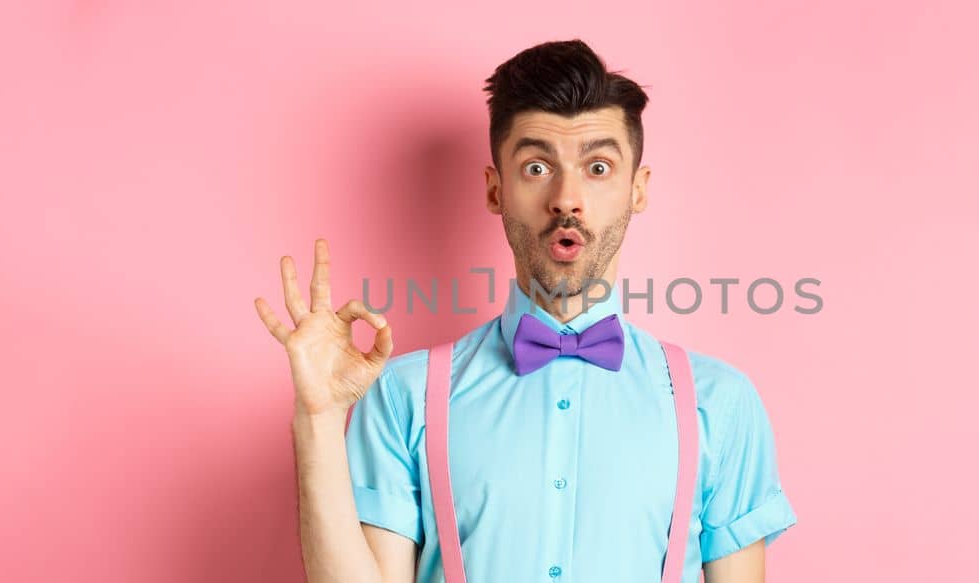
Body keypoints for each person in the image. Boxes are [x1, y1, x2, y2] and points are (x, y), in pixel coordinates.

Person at [254, 39, 796, 583]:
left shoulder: (719, 404)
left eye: (598, 167)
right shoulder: (403, 396)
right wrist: (319, 419)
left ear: (638, 189)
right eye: (537, 167)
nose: (566, 197)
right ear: (496, 190)